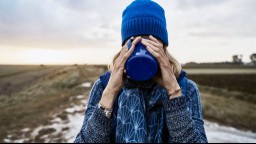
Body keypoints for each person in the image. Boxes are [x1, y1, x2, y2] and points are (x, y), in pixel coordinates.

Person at [74, 0, 208, 143]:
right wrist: (110, 93)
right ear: (125, 47)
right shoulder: (104, 87)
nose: (143, 46)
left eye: (150, 40)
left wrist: (174, 93)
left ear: (162, 45)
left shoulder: (185, 88)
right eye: (135, 40)